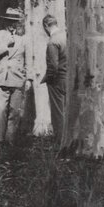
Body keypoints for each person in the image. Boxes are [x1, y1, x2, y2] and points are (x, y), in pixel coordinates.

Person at [0, 7, 30, 156]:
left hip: (17, 79)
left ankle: (10, 142)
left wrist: (28, 78)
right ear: (4, 21)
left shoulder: (24, 38)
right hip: (0, 79)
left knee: (14, 112)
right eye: (9, 21)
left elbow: (28, 60)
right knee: (0, 111)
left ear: (18, 23)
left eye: (14, 22)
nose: (11, 25)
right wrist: (5, 45)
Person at [40, 14, 67, 147]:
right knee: (69, 112)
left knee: (58, 114)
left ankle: (59, 143)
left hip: (58, 80)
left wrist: (48, 79)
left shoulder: (53, 41)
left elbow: (53, 67)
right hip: (71, 79)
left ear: (46, 26)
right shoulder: (67, 37)